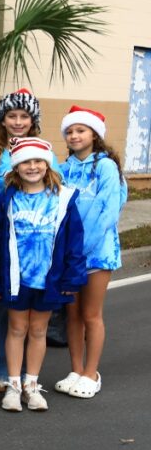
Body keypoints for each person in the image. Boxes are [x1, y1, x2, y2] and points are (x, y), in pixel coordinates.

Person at [0, 137, 86, 412]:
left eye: (38, 161)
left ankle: (31, 385)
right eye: (25, 161)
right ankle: (13, 386)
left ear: (47, 164)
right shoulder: (7, 200)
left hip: (48, 280)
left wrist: (72, 277)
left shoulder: (63, 198)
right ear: (16, 167)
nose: (32, 166)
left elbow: (75, 241)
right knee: (17, 329)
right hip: (17, 280)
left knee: (39, 331)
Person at [57, 106, 126, 399]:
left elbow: (107, 211)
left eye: (81, 130)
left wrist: (81, 250)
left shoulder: (106, 167)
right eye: (70, 131)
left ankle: (91, 373)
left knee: (90, 314)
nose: (74, 136)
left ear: (94, 134)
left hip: (97, 253)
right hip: (69, 255)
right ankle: (75, 369)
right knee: (71, 315)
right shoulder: (63, 168)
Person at [0, 89, 43, 392]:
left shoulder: (44, 154)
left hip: (34, 245)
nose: (17, 122)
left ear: (33, 121)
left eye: (24, 116)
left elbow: (52, 195)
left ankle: (26, 371)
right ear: (2, 121)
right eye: (11, 116)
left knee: (28, 310)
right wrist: (20, 203)